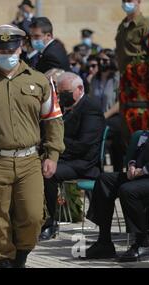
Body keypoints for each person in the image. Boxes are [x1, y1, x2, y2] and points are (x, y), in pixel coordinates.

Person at [0, 24, 65, 268]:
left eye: (11, 49)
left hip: (29, 161)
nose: (7, 55)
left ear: (21, 48)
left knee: (32, 217)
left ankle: (20, 259)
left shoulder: (40, 81)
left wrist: (52, 154)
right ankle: (3, 262)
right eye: (1, 50)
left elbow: (53, 119)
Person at [40, 72, 105, 240]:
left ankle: (50, 223)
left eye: (65, 92)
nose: (62, 96)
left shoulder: (91, 108)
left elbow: (84, 144)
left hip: (83, 163)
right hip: (67, 157)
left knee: (48, 173)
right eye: (60, 93)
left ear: (80, 89)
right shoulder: (66, 107)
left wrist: (56, 144)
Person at [84, 128, 149, 262]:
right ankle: (104, 242)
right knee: (104, 180)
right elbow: (141, 148)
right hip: (142, 174)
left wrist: (144, 171)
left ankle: (144, 241)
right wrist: (132, 165)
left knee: (127, 190)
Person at [116, 0, 149, 136]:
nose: (126, 4)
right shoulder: (122, 26)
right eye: (124, 0)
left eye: (129, 0)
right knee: (126, 124)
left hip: (142, 84)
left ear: (138, 1)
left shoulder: (147, 25)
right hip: (126, 83)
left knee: (143, 123)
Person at [89, 49, 124, 171]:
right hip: (97, 118)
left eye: (105, 60)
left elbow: (120, 102)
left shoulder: (117, 78)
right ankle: (96, 170)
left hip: (113, 117)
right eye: (99, 60)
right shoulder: (94, 79)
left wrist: (105, 115)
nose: (101, 62)